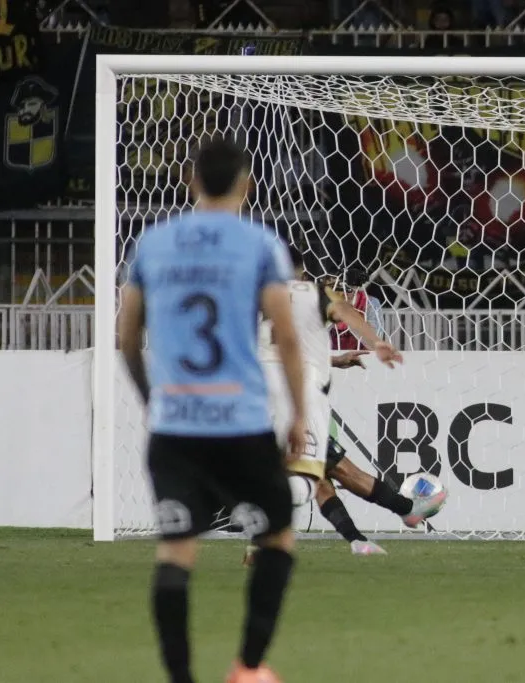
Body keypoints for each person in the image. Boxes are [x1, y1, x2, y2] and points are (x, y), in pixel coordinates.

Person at [118, 137, 305, 683]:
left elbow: (127, 336)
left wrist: (153, 399)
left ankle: (180, 678)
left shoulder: (153, 244)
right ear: (246, 184)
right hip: (241, 423)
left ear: (190, 180)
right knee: (276, 537)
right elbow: (288, 338)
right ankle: (248, 667)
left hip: (175, 427)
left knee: (176, 550)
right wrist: (299, 415)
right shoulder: (259, 244)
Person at [254, 249, 444, 559]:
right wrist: (377, 343)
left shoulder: (255, 298)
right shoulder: (309, 293)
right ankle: (408, 509)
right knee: (331, 473)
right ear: (301, 272)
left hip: (259, 399)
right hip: (298, 397)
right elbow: (343, 310)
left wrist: (335, 359)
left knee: (321, 476)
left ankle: (356, 540)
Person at [329, 266, 385, 351]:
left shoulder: (370, 303)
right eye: (339, 287)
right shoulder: (330, 302)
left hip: (365, 356)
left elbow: (375, 343)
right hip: (333, 357)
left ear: (356, 288)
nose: (343, 292)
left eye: (348, 288)